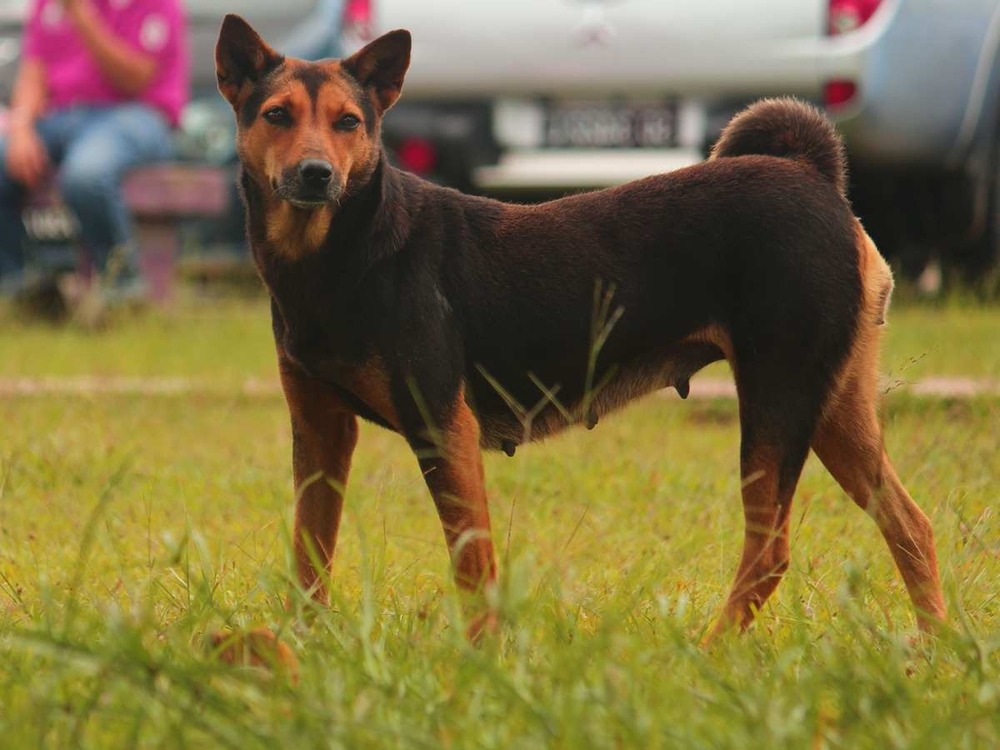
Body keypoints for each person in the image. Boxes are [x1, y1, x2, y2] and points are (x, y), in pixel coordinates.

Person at [0, 0, 189, 304]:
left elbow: (135, 79)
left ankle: (122, 289)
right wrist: (21, 127)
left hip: (135, 114)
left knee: (86, 175)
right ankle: (15, 289)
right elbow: (34, 72)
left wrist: (80, 14)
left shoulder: (158, 3)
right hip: (62, 114)